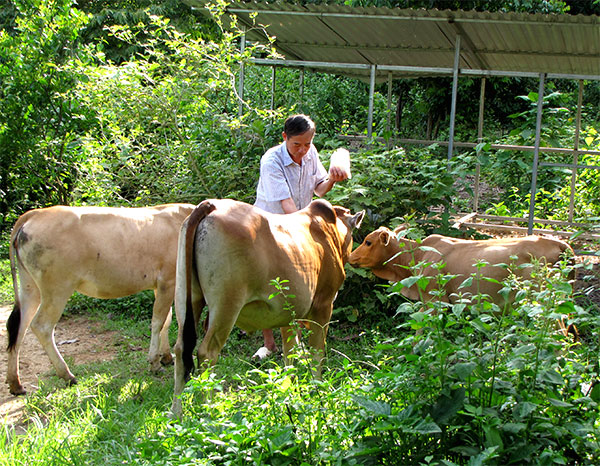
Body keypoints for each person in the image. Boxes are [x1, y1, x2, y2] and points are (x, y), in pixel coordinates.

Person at [253, 114, 350, 359]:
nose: (303, 150)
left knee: (293, 284)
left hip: (299, 225)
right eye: (297, 144)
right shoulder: (271, 160)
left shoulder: (311, 152)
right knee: (267, 280)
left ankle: (293, 342)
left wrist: (332, 179)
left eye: (308, 144)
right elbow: (286, 204)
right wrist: (306, 232)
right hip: (270, 225)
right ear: (284, 137)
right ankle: (268, 343)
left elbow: (319, 187)